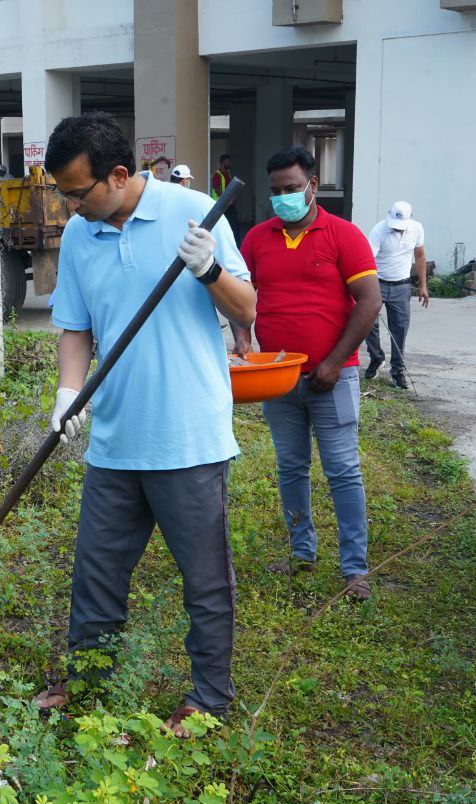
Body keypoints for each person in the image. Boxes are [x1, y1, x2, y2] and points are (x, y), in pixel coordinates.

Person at [36, 112, 256, 736]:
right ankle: (88, 683)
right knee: (96, 575)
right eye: (63, 195)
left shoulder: (194, 213)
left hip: (187, 438)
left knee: (205, 581)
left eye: (78, 193)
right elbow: (76, 327)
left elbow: (248, 310)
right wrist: (67, 393)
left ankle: (209, 700)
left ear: (120, 175)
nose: (71, 208)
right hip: (114, 437)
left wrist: (210, 270)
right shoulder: (82, 237)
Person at [234, 146, 381, 599]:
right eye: (276, 191)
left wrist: (334, 362)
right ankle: (302, 553)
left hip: (332, 378)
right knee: (291, 467)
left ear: (313, 186)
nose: (284, 198)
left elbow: (370, 302)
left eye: (292, 189)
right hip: (278, 377)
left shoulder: (343, 235)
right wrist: (243, 338)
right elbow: (239, 297)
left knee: (342, 471)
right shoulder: (257, 239)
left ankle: (354, 569)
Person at [364, 201, 429, 389]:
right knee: (368, 322)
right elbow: (368, 260)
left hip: (402, 286)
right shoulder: (379, 230)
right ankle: (376, 358)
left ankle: (397, 370)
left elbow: (420, 256)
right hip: (377, 283)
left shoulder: (417, 229)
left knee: (400, 329)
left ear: (411, 218)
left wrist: (423, 286)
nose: (398, 230)